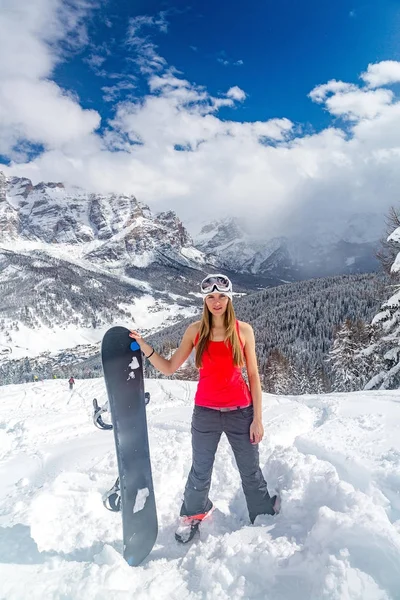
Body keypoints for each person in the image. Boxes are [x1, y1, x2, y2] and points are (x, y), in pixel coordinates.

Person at [129, 273, 279, 543]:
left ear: (229, 298)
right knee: (200, 470)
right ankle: (193, 515)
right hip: (205, 414)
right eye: (210, 297)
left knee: (250, 470)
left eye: (221, 296)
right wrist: (145, 348)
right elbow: (170, 367)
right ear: (204, 300)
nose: (216, 301)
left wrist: (258, 418)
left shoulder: (243, 331)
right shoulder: (195, 331)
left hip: (241, 413)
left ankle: (262, 511)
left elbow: (254, 376)